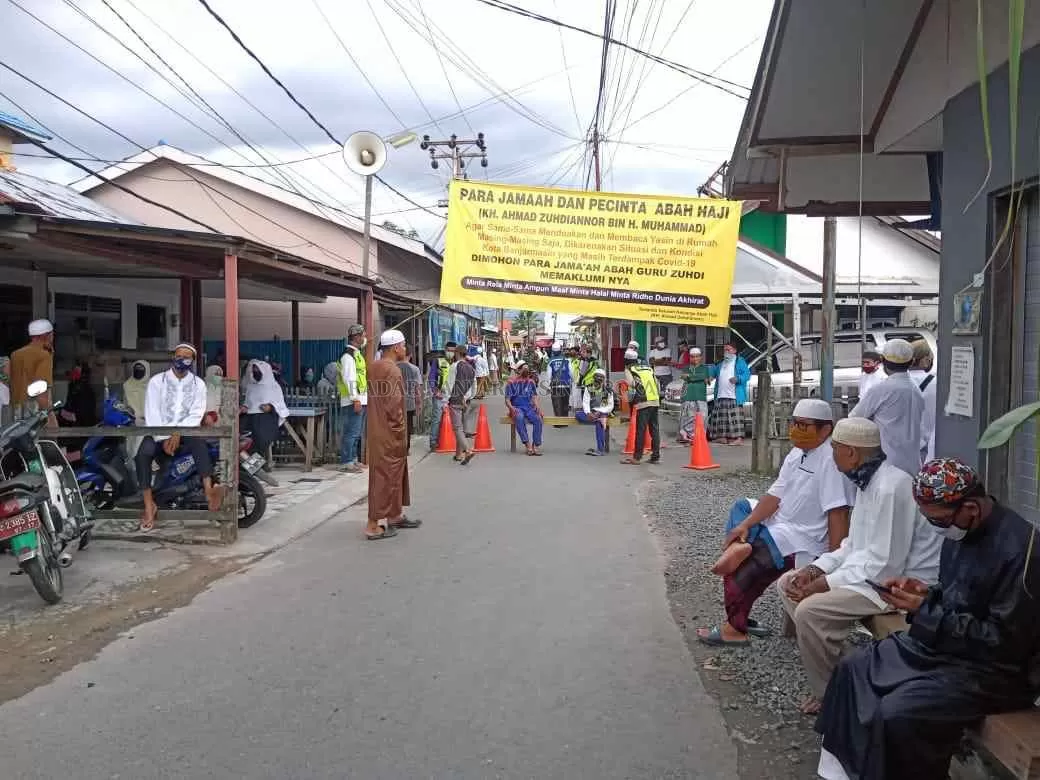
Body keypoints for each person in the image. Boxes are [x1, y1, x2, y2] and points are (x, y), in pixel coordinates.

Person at [815, 459, 1040, 780]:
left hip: (996, 673)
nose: (937, 529)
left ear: (971, 508)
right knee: (853, 668)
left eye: (939, 521)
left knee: (898, 712)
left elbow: (1002, 644)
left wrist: (925, 612)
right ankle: (844, 774)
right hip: (948, 648)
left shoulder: (1022, 551)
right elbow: (958, 595)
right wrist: (925, 594)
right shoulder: (960, 532)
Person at [777, 417, 942, 715]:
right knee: (788, 583)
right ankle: (851, 671)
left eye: (835, 449)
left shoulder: (893, 486)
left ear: (851, 453)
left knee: (809, 611)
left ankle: (833, 694)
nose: (832, 456)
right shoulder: (868, 481)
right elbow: (853, 546)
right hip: (872, 575)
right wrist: (814, 571)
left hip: (898, 586)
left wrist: (825, 584)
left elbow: (885, 565)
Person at [696, 399, 853, 648]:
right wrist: (745, 524)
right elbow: (775, 494)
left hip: (803, 537)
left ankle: (734, 628)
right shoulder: (798, 452)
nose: (796, 430)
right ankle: (741, 544)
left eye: (804, 425)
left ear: (826, 430)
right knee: (742, 508)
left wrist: (831, 562)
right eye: (794, 423)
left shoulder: (830, 461)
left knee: (744, 568)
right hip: (781, 519)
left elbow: (838, 513)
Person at [136, 344, 219, 531]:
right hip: (158, 431)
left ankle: (209, 491)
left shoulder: (199, 384)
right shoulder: (157, 381)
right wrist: (165, 435)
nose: (182, 359)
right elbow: (152, 411)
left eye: (187, 357)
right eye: (179, 355)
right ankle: (149, 504)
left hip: (186, 431)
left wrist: (178, 432)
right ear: (173, 357)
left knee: (199, 445)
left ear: (193, 361)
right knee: (142, 454)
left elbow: (196, 412)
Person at [362, 329, 419, 540]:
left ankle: (394, 515)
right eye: (403, 345)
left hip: (377, 429)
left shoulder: (374, 367)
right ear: (396, 348)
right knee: (385, 477)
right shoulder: (392, 371)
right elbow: (394, 407)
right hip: (390, 431)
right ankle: (372, 525)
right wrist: (400, 431)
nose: (405, 349)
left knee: (393, 474)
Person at [850, 338, 924, 477]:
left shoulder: (881, 389)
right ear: (912, 362)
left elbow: (854, 419)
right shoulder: (916, 390)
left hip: (887, 465)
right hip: (912, 464)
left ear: (883, 361)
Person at [10, 318, 56, 425]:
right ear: (47, 335)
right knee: (48, 441)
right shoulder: (43, 355)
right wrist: (51, 419)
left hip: (15, 412)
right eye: (52, 334)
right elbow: (42, 390)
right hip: (34, 414)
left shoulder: (15, 354)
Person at [241, 359, 290, 460]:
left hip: (267, 419)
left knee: (260, 440)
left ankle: (254, 468)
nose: (255, 373)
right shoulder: (251, 386)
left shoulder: (274, 387)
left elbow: (279, 405)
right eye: (254, 370)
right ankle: (249, 467)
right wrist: (245, 408)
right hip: (250, 419)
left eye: (258, 370)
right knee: (240, 439)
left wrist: (270, 407)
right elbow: (248, 404)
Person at [620, 348, 660, 465]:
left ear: (626, 360)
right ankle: (655, 456)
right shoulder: (648, 367)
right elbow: (656, 383)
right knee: (654, 429)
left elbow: (631, 383)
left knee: (640, 430)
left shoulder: (629, 369)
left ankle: (637, 457)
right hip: (655, 400)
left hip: (643, 401)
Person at [337, 324, 368, 474]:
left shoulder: (356, 354)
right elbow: (350, 378)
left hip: (360, 399)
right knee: (351, 432)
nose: (364, 338)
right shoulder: (348, 356)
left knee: (356, 432)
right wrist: (355, 399)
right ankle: (346, 462)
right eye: (363, 335)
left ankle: (353, 459)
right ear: (356, 337)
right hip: (352, 401)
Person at [709, 343, 750, 445]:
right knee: (721, 418)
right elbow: (713, 372)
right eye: (725, 350)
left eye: (729, 350)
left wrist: (738, 379)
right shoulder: (721, 363)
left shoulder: (739, 362)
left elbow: (747, 375)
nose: (726, 352)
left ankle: (738, 439)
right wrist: (709, 376)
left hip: (734, 395)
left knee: (735, 419)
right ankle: (721, 437)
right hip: (721, 394)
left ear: (734, 351)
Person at [505, 360, 543, 456]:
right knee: (519, 418)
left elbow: (534, 396)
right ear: (518, 370)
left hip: (529, 407)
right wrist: (511, 408)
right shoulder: (511, 382)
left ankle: (536, 445)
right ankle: (527, 445)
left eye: (527, 368)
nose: (526, 370)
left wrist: (537, 406)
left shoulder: (531, 382)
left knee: (538, 419)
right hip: (517, 407)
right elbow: (507, 400)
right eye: (523, 368)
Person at [447, 343, 476, 464]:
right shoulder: (471, 368)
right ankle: (458, 454)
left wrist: (445, 400)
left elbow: (449, 384)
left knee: (457, 428)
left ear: (457, 353)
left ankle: (468, 450)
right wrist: (468, 397)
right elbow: (474, 386)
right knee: (461, 429)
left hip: (455, 400)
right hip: (466, 401)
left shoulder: (454, 366)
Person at [908, 340, 937, 462]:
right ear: (925, 360)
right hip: (929, 446)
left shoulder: (895, 383)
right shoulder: (937, 383)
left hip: (903, 447)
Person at [575, 368, 614, 456]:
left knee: (599, 424)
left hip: (603, 413)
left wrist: (599, 412)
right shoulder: (589, 388)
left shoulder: (608, 390)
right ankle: (599, 420)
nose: (598, 380)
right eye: (597, 377)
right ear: (594, 378)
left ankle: (600, 449)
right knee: (578, 415)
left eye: (600, 378)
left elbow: (610, 406)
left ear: (603, 379)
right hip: (592, 413)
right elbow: (585, 402)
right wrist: (589, 413)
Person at [677, 346, 710, 443]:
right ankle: (688, 437)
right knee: (688, 417)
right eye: (692, 356)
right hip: (688, 396)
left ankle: (699, 438)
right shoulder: (686, 368)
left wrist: (690, 377)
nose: (695, 359)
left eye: (697, 356)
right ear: (690, 357)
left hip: (700, 397)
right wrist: (697, 377)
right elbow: (684, 377)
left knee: (702, 418)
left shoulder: (704, 368)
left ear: (701, 357)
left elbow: (703, 375)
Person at [398, 344, 423, 454]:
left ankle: (397, 447)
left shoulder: (394, 367)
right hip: (409, 402)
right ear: (411, 355)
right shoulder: (415, 369)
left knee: (397, 425)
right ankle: (406, 449)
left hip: (396, 402)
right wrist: (419, 402)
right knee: (407, 426)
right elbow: (418, 388)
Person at [427, 346, 452, 450]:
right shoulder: (438, 361)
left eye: (453, 351)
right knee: (437, 418)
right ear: (445, 350)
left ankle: (447, 439)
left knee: (449, 418)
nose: (451, 353)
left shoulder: (456, 362)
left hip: (452, 394)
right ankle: (433, 441)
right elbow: (431, 377)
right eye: (449, 350)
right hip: (440, 394)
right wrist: (435, 390)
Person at [547, 340, 572, 420]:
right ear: (560, 350)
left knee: (557, 403)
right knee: (565, 403)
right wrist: (573, 382)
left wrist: (548, 385)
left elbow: (549, 375)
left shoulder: (551, 361)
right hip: (566, 385)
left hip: (555, 386)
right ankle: (565, 421)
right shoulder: (567, 360)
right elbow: (571, 372)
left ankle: (558, 422)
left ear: (553, 351)